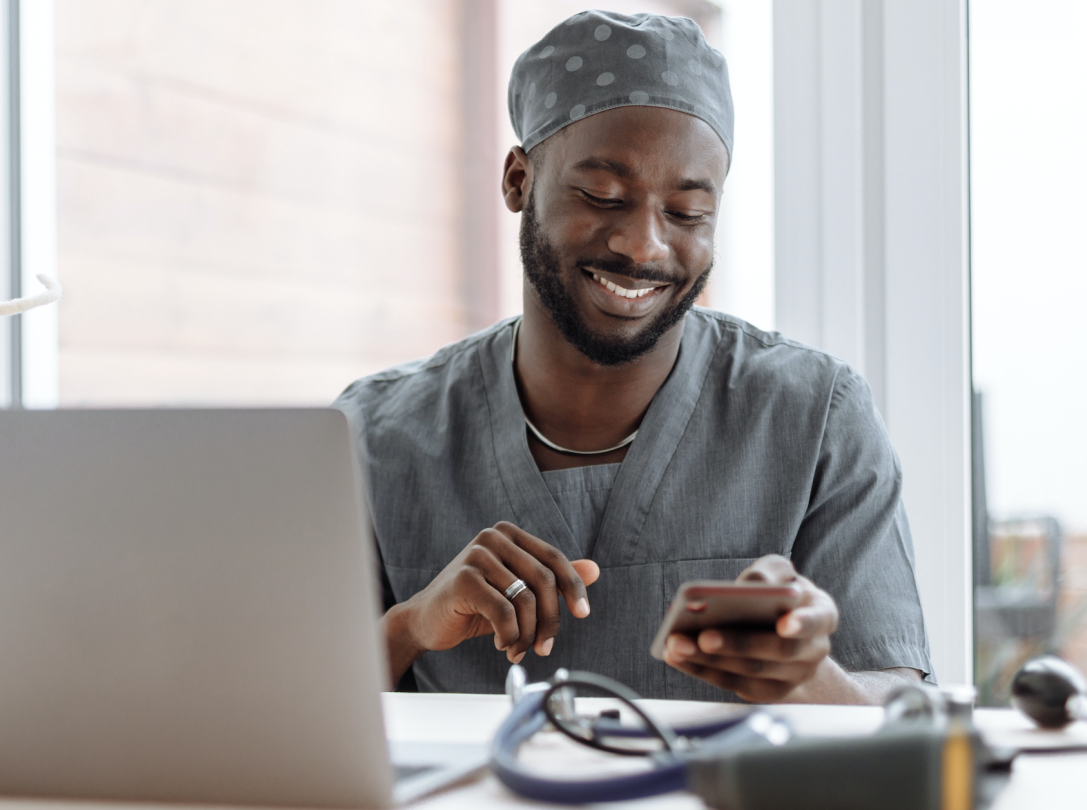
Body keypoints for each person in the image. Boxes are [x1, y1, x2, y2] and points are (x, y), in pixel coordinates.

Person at [333, 11, 931, 704]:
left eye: (686, 213)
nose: (644, 247)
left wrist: (808, 678)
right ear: (519, 180)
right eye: (601, 195)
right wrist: (409, 626)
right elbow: (270, 712)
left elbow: (897, 702)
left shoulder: (813, 417)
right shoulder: (376, 437)